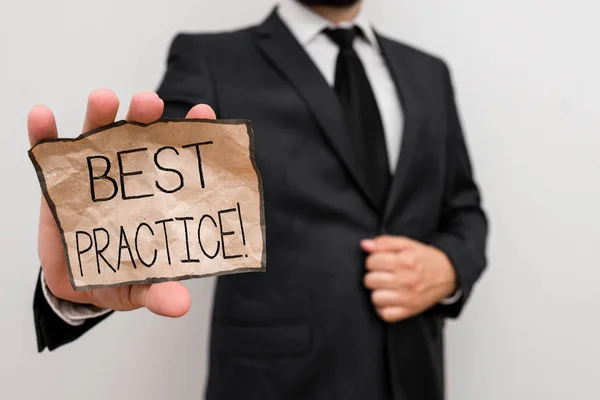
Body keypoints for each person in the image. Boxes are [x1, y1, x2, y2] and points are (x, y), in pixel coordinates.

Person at [28, 0, 488, 399]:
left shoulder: (429, 73)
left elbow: (463, 207)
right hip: (278, 384)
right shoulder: (211, 59)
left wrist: (449, 269)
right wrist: (89, 260)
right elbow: (151, 200)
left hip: (413, 376)